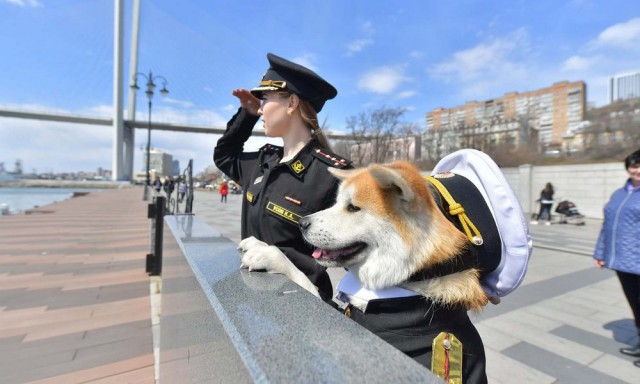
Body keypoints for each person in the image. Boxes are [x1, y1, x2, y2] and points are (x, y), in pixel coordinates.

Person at [213, 53, 351, 301]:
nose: (261, 108)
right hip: (253, 301)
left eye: (265, 99)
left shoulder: (332, 174)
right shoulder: (263, 163)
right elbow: (224, 156)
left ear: (291, 103)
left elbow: (359, 259)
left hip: (303, 308)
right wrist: (247, 115)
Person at [594, 149, 640, 368]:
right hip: (623, 262)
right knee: (636, 305)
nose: (636, 169)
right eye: (633, 165)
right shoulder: (620, 193)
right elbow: (607, 225)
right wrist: (600, 252)